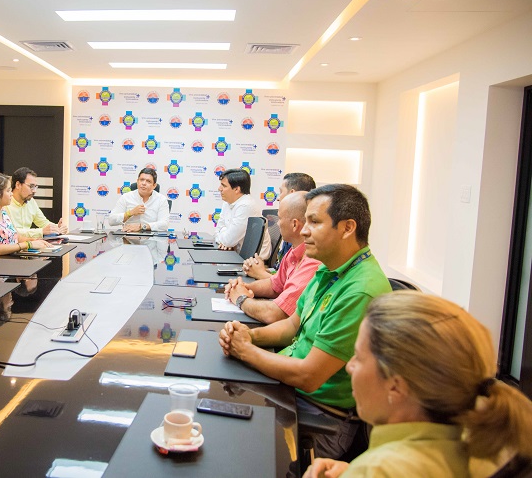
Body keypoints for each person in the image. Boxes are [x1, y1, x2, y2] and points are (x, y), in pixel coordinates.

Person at [219, 184, 391, 459]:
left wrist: (246, 350)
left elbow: (309, 376)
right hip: (293, 391)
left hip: (322, 416)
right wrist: (249, 337)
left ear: (347, 228)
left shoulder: (360, 290)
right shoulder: (329, 268)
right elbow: (291, 326)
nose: (304, 230)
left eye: (314, 222)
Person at [305, 291, 532, 478]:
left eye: (358, 357)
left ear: (396, 386)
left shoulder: (379, 470)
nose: (349, 366)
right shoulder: (478, 449)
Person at [224, 192, 321, 323]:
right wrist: (243, 287)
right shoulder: (294, 251)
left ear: (294, 224)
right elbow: (275, 285)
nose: (278, 224)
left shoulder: (313, 260)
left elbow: (276, 313)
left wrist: (241, 298)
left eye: (280, 218)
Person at [0, 171, 52, 264]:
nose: (12, 194)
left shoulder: (3, 213)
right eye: (8, 191)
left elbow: (16, 236)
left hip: (10, 262)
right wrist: (27, 245)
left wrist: (33, 241)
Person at [4, 167, 67, 239]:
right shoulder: (5, 203)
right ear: (18, 185)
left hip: (28, 245)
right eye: (31, 186)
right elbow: (12, 232)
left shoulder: (31, 201)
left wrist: (57, 228)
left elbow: (43, 223)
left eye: (35, 187)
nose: (34, 191)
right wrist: (41, 232)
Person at [273, 172, 317, 269]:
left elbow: (286, 281)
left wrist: (260, 273)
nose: (278, 198)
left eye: (281, 192)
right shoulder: (292, 244)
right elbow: (281, 277)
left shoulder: (310, 256)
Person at [107, 167, 169, 232]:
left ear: (154, 185)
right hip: (128, 238)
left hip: (152, 239)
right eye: (141, 180)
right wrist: (130, 213)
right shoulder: (126, 197)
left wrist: (142, 226)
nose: (144, 183)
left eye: (148, 181)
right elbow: (111, 220)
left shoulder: (161, 199)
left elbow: (164, 224)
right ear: (137, 181)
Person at [215, 168, 263, 251]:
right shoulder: (227, 202)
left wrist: (226, 237)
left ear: (237, 189)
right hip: (236, 253)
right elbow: (217, 231)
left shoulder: (246, 206)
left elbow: (228, 241)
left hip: (252, 260)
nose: (219, 188)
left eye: (224, 186)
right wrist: (226, 236)